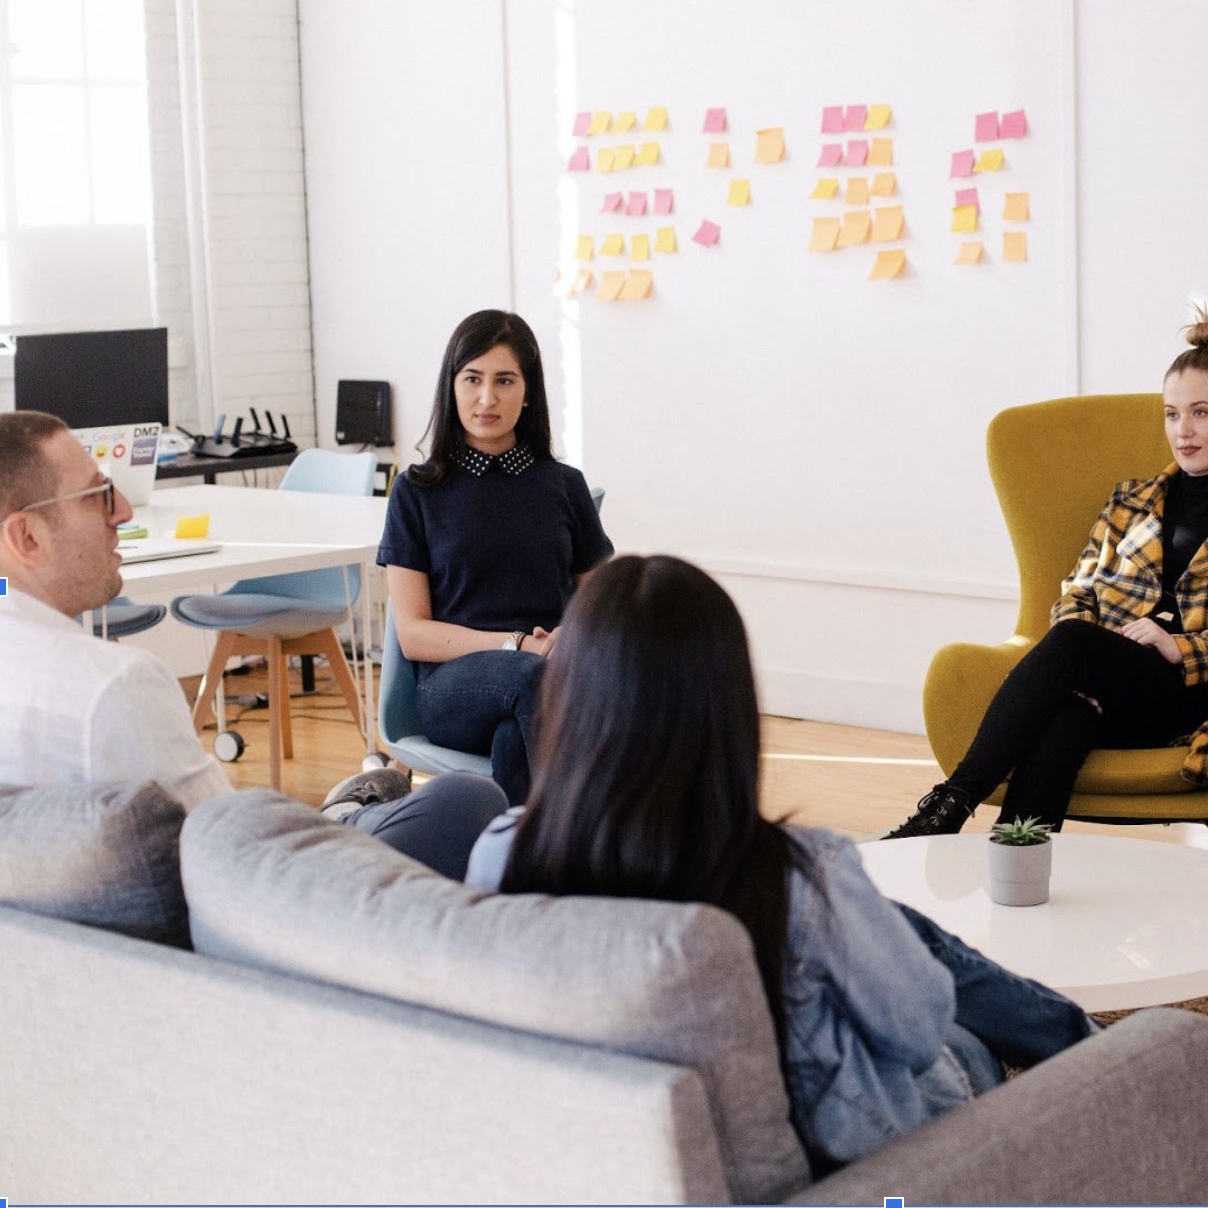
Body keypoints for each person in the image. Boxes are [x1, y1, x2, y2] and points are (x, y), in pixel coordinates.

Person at [465, 555, 1099, 1169]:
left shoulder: (503, 852)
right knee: (960, 1038)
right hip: (869, 1174)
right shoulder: (795, 875)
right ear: (728, 706)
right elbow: (916, 1027)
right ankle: (1104, 1053)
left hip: (625, 1160)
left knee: (891, 926)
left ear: (569, 699)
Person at [0, 410, 507, 879]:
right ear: (26, 538)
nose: (125, 511)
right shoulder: (112, 689)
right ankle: (340, 818)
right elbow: (232, 852)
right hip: (274, 896)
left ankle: (338, 815)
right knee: (465, 799)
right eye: (99, 494)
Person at [885, 307, 1208, 838]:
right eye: (1171, 414)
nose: (1182, 431)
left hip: (1194, 696)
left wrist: (1181, 648)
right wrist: (1108, 648)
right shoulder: (1131, 500)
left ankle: (949, 803)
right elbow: (1077, 590)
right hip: (1107, 679)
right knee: (1067, 721)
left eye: (1200, 413)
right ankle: (1015, 871)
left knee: (1071, 643)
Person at [379, 310, 612, 807]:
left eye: (504, 380)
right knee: (536, 681)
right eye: (473, 379)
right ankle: (604, 839)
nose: (487, 398)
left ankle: (514, 870)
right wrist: (517, 645)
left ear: (528, 392)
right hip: (452, 689)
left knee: (516, 740)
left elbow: (606, 603)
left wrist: (572, 635)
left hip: (544, 681)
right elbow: (414, 635)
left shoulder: (563, 486)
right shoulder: (416, 492)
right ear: (452, 387)